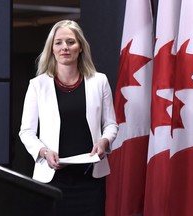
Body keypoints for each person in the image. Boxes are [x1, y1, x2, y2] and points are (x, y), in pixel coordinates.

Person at [19, 20, 118, 216]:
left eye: (71, 42)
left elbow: (111, 124)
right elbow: (26, 132)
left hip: (90, 178)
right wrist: (44, 151)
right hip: (52, 179)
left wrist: (104, 141)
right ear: (52, 48)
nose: (65, 47)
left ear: (80, 47)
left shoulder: (99, 81)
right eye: (59, 43)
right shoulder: (37, 85)